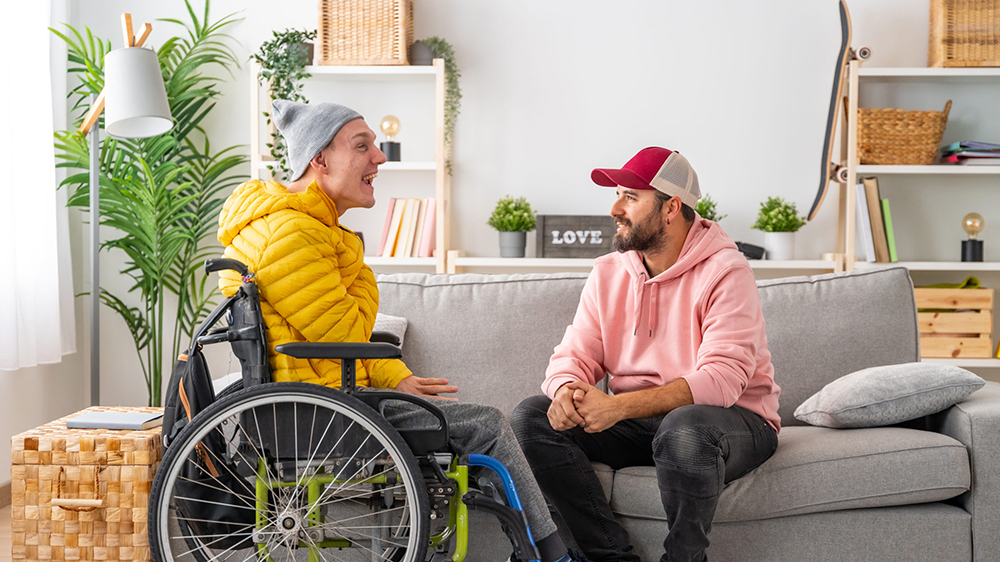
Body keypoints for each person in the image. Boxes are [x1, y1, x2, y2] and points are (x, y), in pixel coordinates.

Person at [216, 99, 584, 562]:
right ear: (320, 159)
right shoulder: (294, 235)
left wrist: (395, 378)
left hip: (317, 401)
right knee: (489, 424)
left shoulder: (299, 229)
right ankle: (553, 557)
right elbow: (349, 334)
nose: (380, 157)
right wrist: (356, 264)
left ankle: (542, 551)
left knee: (476, 422)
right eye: (362, 145)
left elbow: (336, 335)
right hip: (324, 415)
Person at [511, 147, 781, 562]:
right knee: (532, 416)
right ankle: (611, 558)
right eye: (618, 194)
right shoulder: (609, 271)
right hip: (641, 423)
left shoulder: (726, 271)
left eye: (631, 197)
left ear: (671, 207)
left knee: (684, 428)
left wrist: (618, 408)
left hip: (731, 422)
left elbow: (723, 380)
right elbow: (574, 353)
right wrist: (565, 388)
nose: (615, 208)